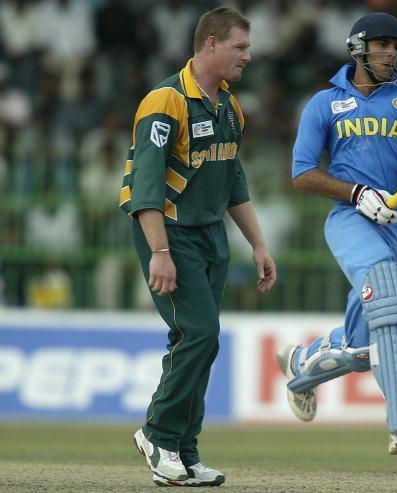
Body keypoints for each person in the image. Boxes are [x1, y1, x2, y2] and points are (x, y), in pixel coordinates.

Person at [120, 7, 276, 487]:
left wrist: (258, 244)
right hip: (170, 232)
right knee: (200, 334)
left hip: (210, 235)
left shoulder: (230, 106)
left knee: (197, 344)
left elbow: (233, 181)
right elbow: (144, 186)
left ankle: (184, 453)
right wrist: (160, 252)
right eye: (239, 47)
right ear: (210, 44)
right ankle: (157, 434)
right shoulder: (165, 101)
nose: (248, 57)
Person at [276, 12, 397, 455]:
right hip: (351, 221)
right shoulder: (325, 104)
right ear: (358, 48)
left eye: (396, 45)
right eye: (383, 44)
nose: (391, 53)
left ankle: (299, 365)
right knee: (391, 294)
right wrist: (355, 193)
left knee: (360, 345)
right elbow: (302, 173)